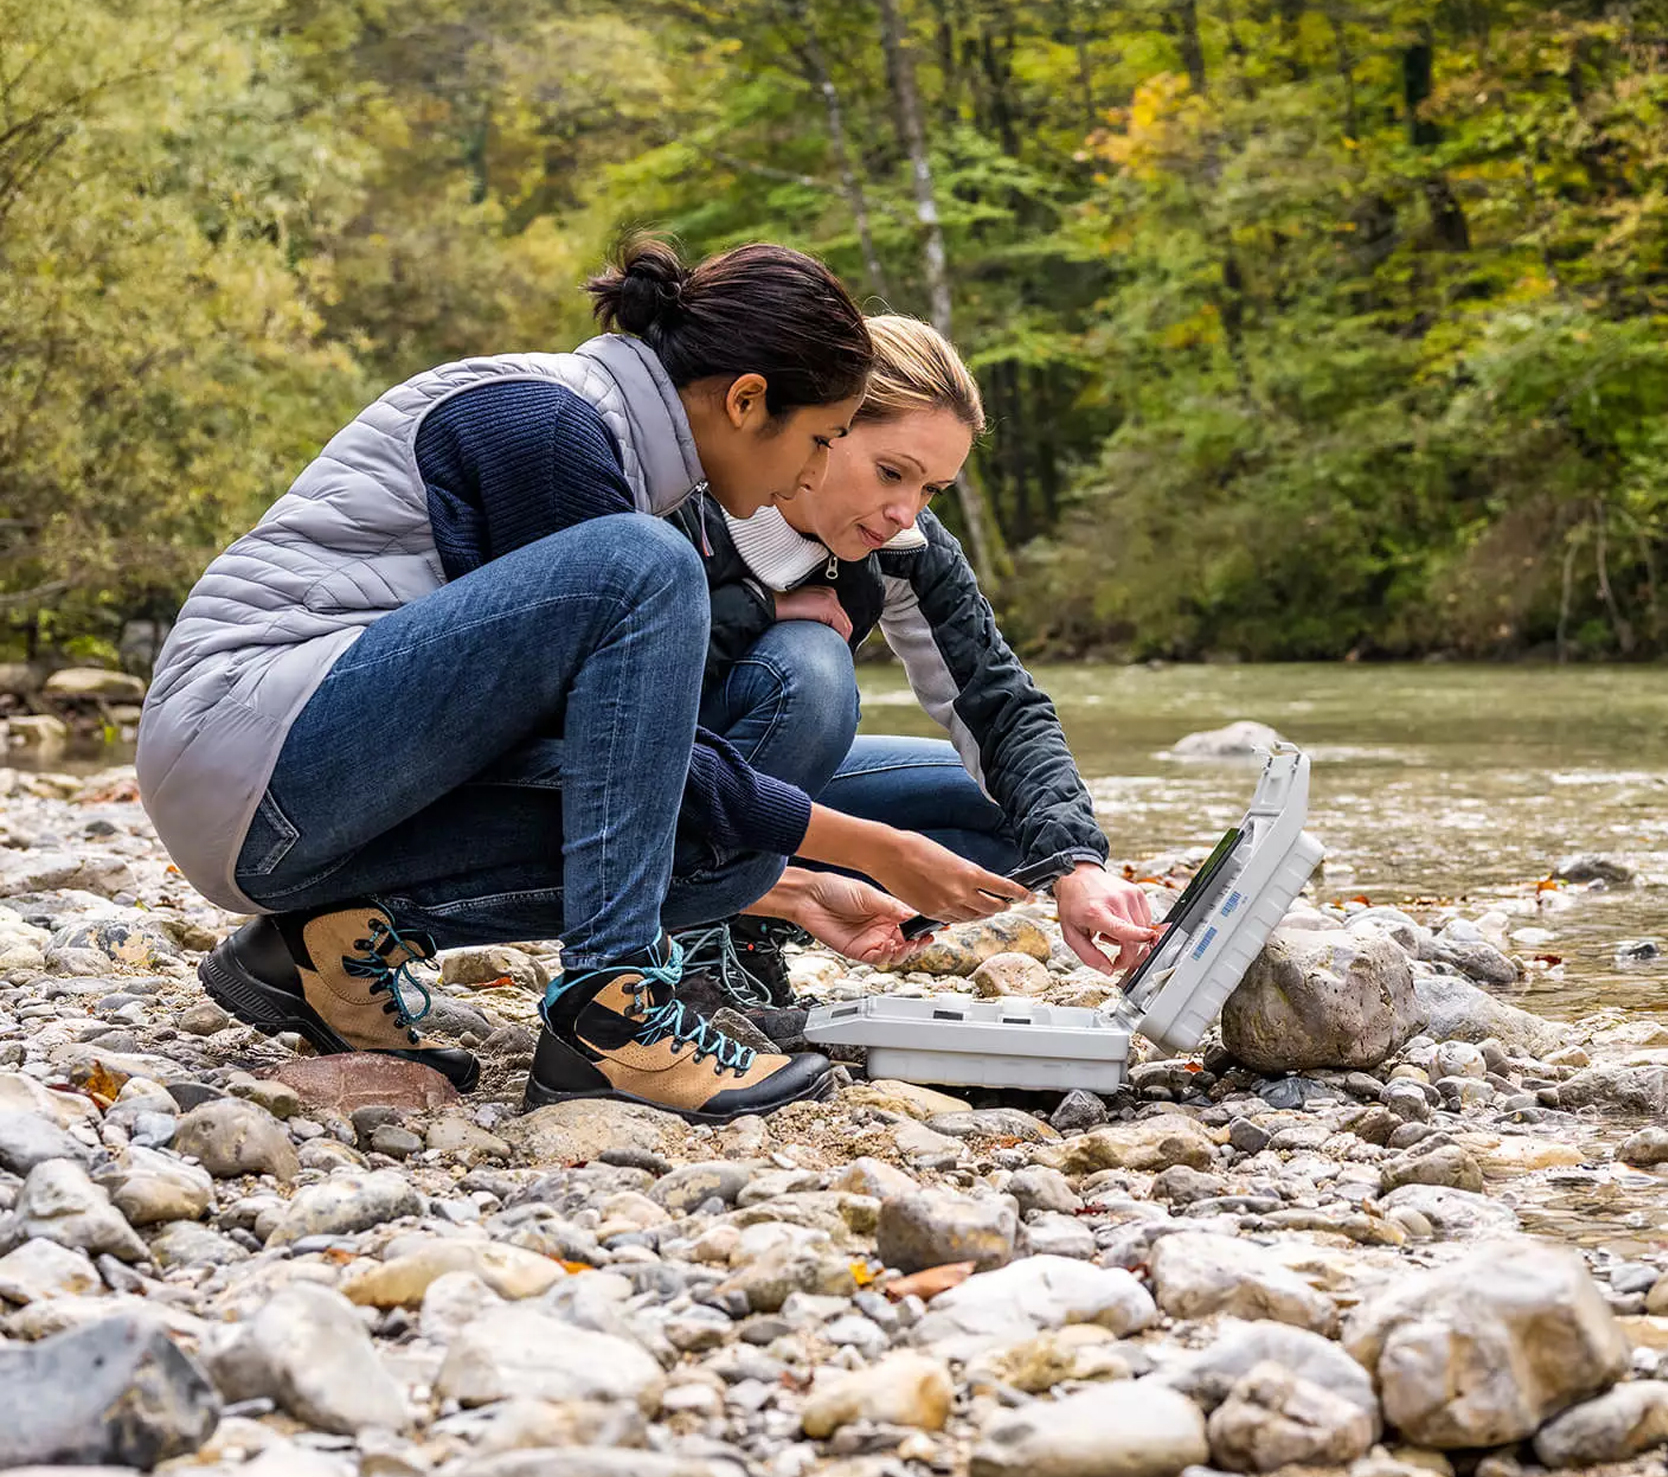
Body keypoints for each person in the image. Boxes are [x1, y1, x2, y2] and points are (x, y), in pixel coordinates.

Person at [137, 242, 1027, 1124]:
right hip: (257, 753)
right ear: (747, 400)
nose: (811, 472)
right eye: (822, 439)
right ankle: (611, 1012)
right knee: (646, 566)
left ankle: (321, 951)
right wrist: (867, 846)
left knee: (726, 853)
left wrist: (787, 876)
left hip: (303, 803)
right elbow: (626, 751)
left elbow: (621, 761)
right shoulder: (549, 424)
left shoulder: (631, 455)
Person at [669, 315, 1158, 1010]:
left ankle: (750, 926)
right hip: (641, 789)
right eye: (892, 472)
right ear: (826, 425)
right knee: (811, 669)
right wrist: (761, 607)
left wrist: (1078, 865)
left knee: (1013, 823)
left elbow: (999, 702)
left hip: (764, 798)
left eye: (931, 489)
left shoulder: (904, 543)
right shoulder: (688, 497)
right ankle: (684, 935)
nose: (905, 512)